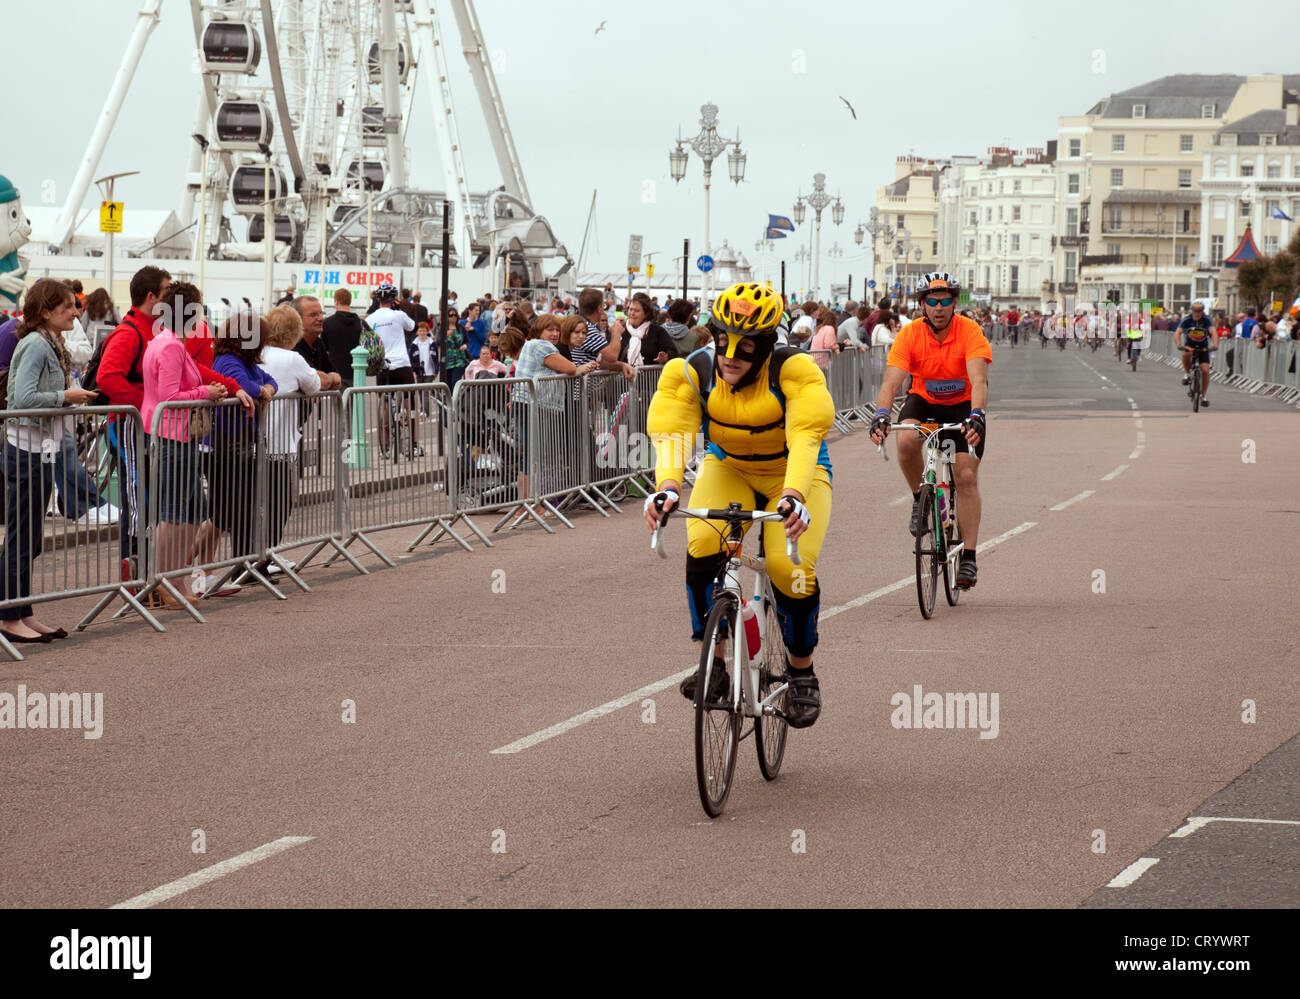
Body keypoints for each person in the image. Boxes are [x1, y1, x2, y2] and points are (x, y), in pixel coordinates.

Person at [645, 282, 834, 729]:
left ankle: (802, 672)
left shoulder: (795, 371)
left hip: (792, 472)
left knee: (790, 569)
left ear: (766, 346)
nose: (730, 355)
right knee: (700, 546)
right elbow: (672, 433)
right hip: (729, 466)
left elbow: (806, 437)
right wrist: (668, 487)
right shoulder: (692, 370)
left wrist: (794, 496)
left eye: (745, 346)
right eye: (722, 340)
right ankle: (712, 664)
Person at [870, 273, 990, 589]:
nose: (939, 307)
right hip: (923, 401)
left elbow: (979, 380)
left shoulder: (970, 330)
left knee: (965, 477)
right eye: (932, 301)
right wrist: (882, 414)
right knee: (906, 440)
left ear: (954, 303)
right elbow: (891, 383)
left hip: (963, 406)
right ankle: (918, 499)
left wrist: (977, 415)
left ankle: (969, 559)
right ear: (923, 304)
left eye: (946, 300)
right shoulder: (910, 334)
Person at [2, 279, 99, 642]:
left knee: (29, 537)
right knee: (22, 536)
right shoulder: (35, 345)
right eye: (70, 306)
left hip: (38, 445)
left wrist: (66, 397)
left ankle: (20, 611)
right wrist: (65, 395)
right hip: (26, 447)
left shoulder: (45, 342)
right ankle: (9, 615)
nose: (77, 311)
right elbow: (22, 399)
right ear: (46, 311)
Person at [140, 289, 237, 608]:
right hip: (172, 435)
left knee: (192, 508)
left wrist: (205, 390)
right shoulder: (169, 345)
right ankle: (164, 578)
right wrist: (204, 391)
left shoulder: (166, 341)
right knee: (175, 511)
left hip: (175, 434)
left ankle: (170, 578)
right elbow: (170, 395)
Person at [211, 313, 277, 567]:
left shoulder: (245, 363)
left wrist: (266, 389)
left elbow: (269, 381)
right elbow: (243, 386)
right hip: (225, 442)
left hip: (240, 440)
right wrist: (261, 390)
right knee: (228, 511)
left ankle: (246, 562)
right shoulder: (228, 361)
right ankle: (191, 564)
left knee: (243, 507)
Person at [258, 306, 325, 550]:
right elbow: (315, 385)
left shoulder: (258, 353)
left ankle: (250, 558)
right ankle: (267, 554)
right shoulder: (293, 358)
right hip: (277, 442)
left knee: (251, 504)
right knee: (280, 501)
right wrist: (334, 378)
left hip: (250, 440)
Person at [366, 284, 425, 456]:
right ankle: (413, 445)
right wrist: (399, 308)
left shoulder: (370, 319)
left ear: (378, 300)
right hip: (401, 364)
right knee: (410, 401)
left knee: (384, 402)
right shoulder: (399, 315)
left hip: (382, 366)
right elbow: (413, 327)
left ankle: (384, 448)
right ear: (393, 300)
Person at [1177, 302, 1216, 407]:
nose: (1197, 314)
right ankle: (1187, 373)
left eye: (1199, 311)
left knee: (1205, 370)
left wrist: (1215, 345)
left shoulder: (1207, 320)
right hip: (1190, 345)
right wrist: (1179, 344)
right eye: (1195, 311)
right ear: (1192, 311)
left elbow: (1213, 332)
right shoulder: (1187, 320)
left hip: (1203, 347)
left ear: (1202, 312)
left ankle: (1203, 396)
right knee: (1186, 353)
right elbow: (1178, 332)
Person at [322, 288, 363, 385]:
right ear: (350, 301)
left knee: (338, 400)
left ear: (336, 301)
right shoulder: (361, 323)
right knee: (357, 400)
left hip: (336, 373)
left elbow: (324, 347)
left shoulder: (327, 323)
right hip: (357, 371)